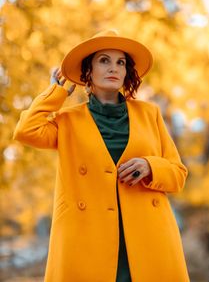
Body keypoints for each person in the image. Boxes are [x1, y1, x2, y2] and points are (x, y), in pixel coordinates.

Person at [13, 29, 190, 282]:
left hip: (147, 238)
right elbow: (26, 131)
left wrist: (150, 166)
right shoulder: (67, 121)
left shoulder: (150, 114)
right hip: (87, 238)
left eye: (121, 62)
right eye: (104, 60)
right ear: (89, 71)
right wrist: (56, 91)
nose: (114, 68)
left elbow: (178, 174)